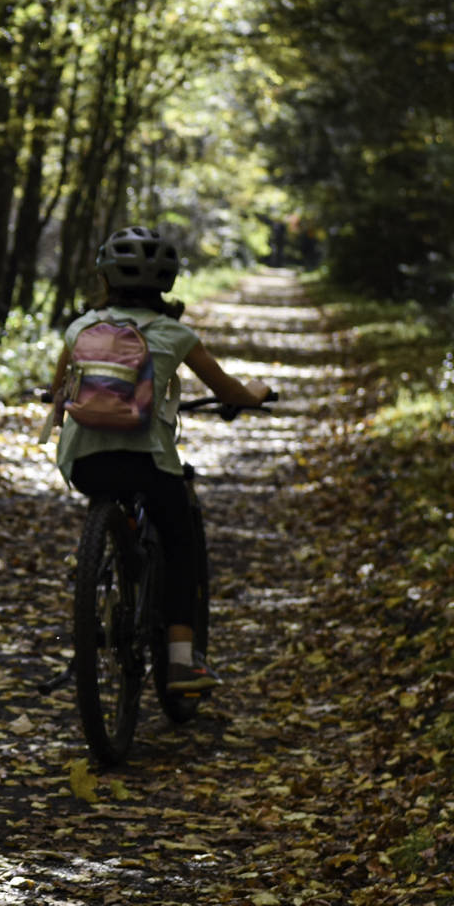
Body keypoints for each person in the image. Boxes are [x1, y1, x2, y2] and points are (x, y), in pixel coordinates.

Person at [48, 227, 270, 691]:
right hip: (148, 463)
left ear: (104, 279)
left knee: (110, 499)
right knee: (179, 541)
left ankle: (105, 562)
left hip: (84, 462)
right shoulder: (175, 334)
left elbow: (57, 391)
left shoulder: (80, 328)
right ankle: (181, 662)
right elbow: (227, 391)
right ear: (167, 283)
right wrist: (255, 395)